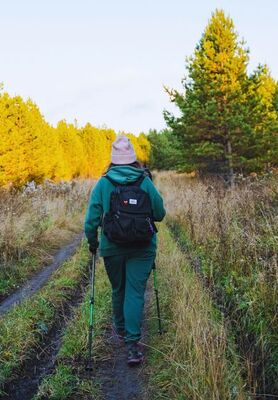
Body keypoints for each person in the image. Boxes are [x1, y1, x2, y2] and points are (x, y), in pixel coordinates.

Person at [83, 135, 166, 366]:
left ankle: (121, 331)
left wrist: (93, 242)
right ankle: (133, 345)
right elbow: (159, 214)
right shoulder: (144, 181)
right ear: (132, 159)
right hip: (143, 247)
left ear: (113, 159)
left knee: (119, 289)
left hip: (112, 247)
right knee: (135, 292)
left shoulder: (103, 183)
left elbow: (91, 220)